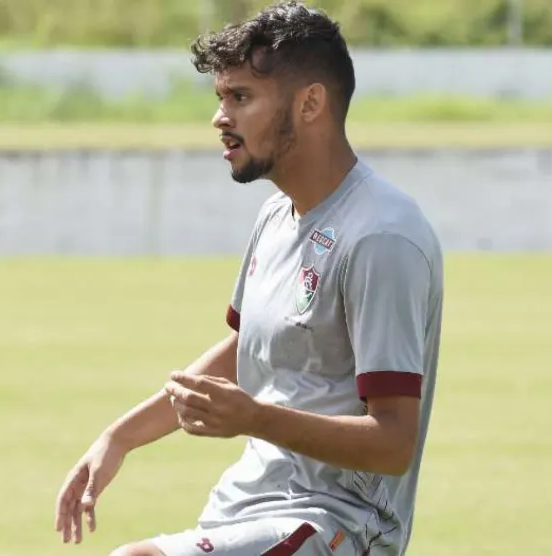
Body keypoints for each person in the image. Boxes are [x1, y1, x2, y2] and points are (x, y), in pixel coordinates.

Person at [54, 1, 444, 555]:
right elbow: (248, 352)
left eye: (241, 97)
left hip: (337, 526)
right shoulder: (276, 215)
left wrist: (256, 418)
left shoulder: (382, 237)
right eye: (221, 98)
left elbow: (393, 443)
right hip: (247, 504)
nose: (220, 118)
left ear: (311, 103)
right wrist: (119, 438)